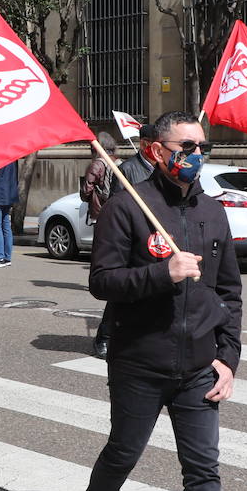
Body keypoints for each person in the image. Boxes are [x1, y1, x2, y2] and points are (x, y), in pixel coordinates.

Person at [81, 111, 247, 491]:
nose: (196, 156)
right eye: (186, 147)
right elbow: (102, 282)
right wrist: (162, 274)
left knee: (203, 469)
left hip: (198, 366)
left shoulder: (213, 213)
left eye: (203, 147)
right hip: (139, 362)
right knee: (124, 451)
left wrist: (228, 358)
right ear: (155, 150)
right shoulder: (127, 207)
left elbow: (229, 293)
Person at [96, 125, 157, 358]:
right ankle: (105, 336)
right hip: (133, 238)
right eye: (153, 143)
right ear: (144, 144)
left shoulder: (161, 168)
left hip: (156, 238)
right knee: (121, 293)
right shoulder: (128, 169)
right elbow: (116, 206)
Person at [109, 124, 156, 198]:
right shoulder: (126, 169)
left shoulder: (164, 167)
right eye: (155, 144)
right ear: (143, 144)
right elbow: (115, 202)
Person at [81, 132, 116, 225]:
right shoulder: (116, 161)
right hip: (114, 210)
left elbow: (86, 190)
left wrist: (85, 198)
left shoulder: (97, 164)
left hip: (100, 211)